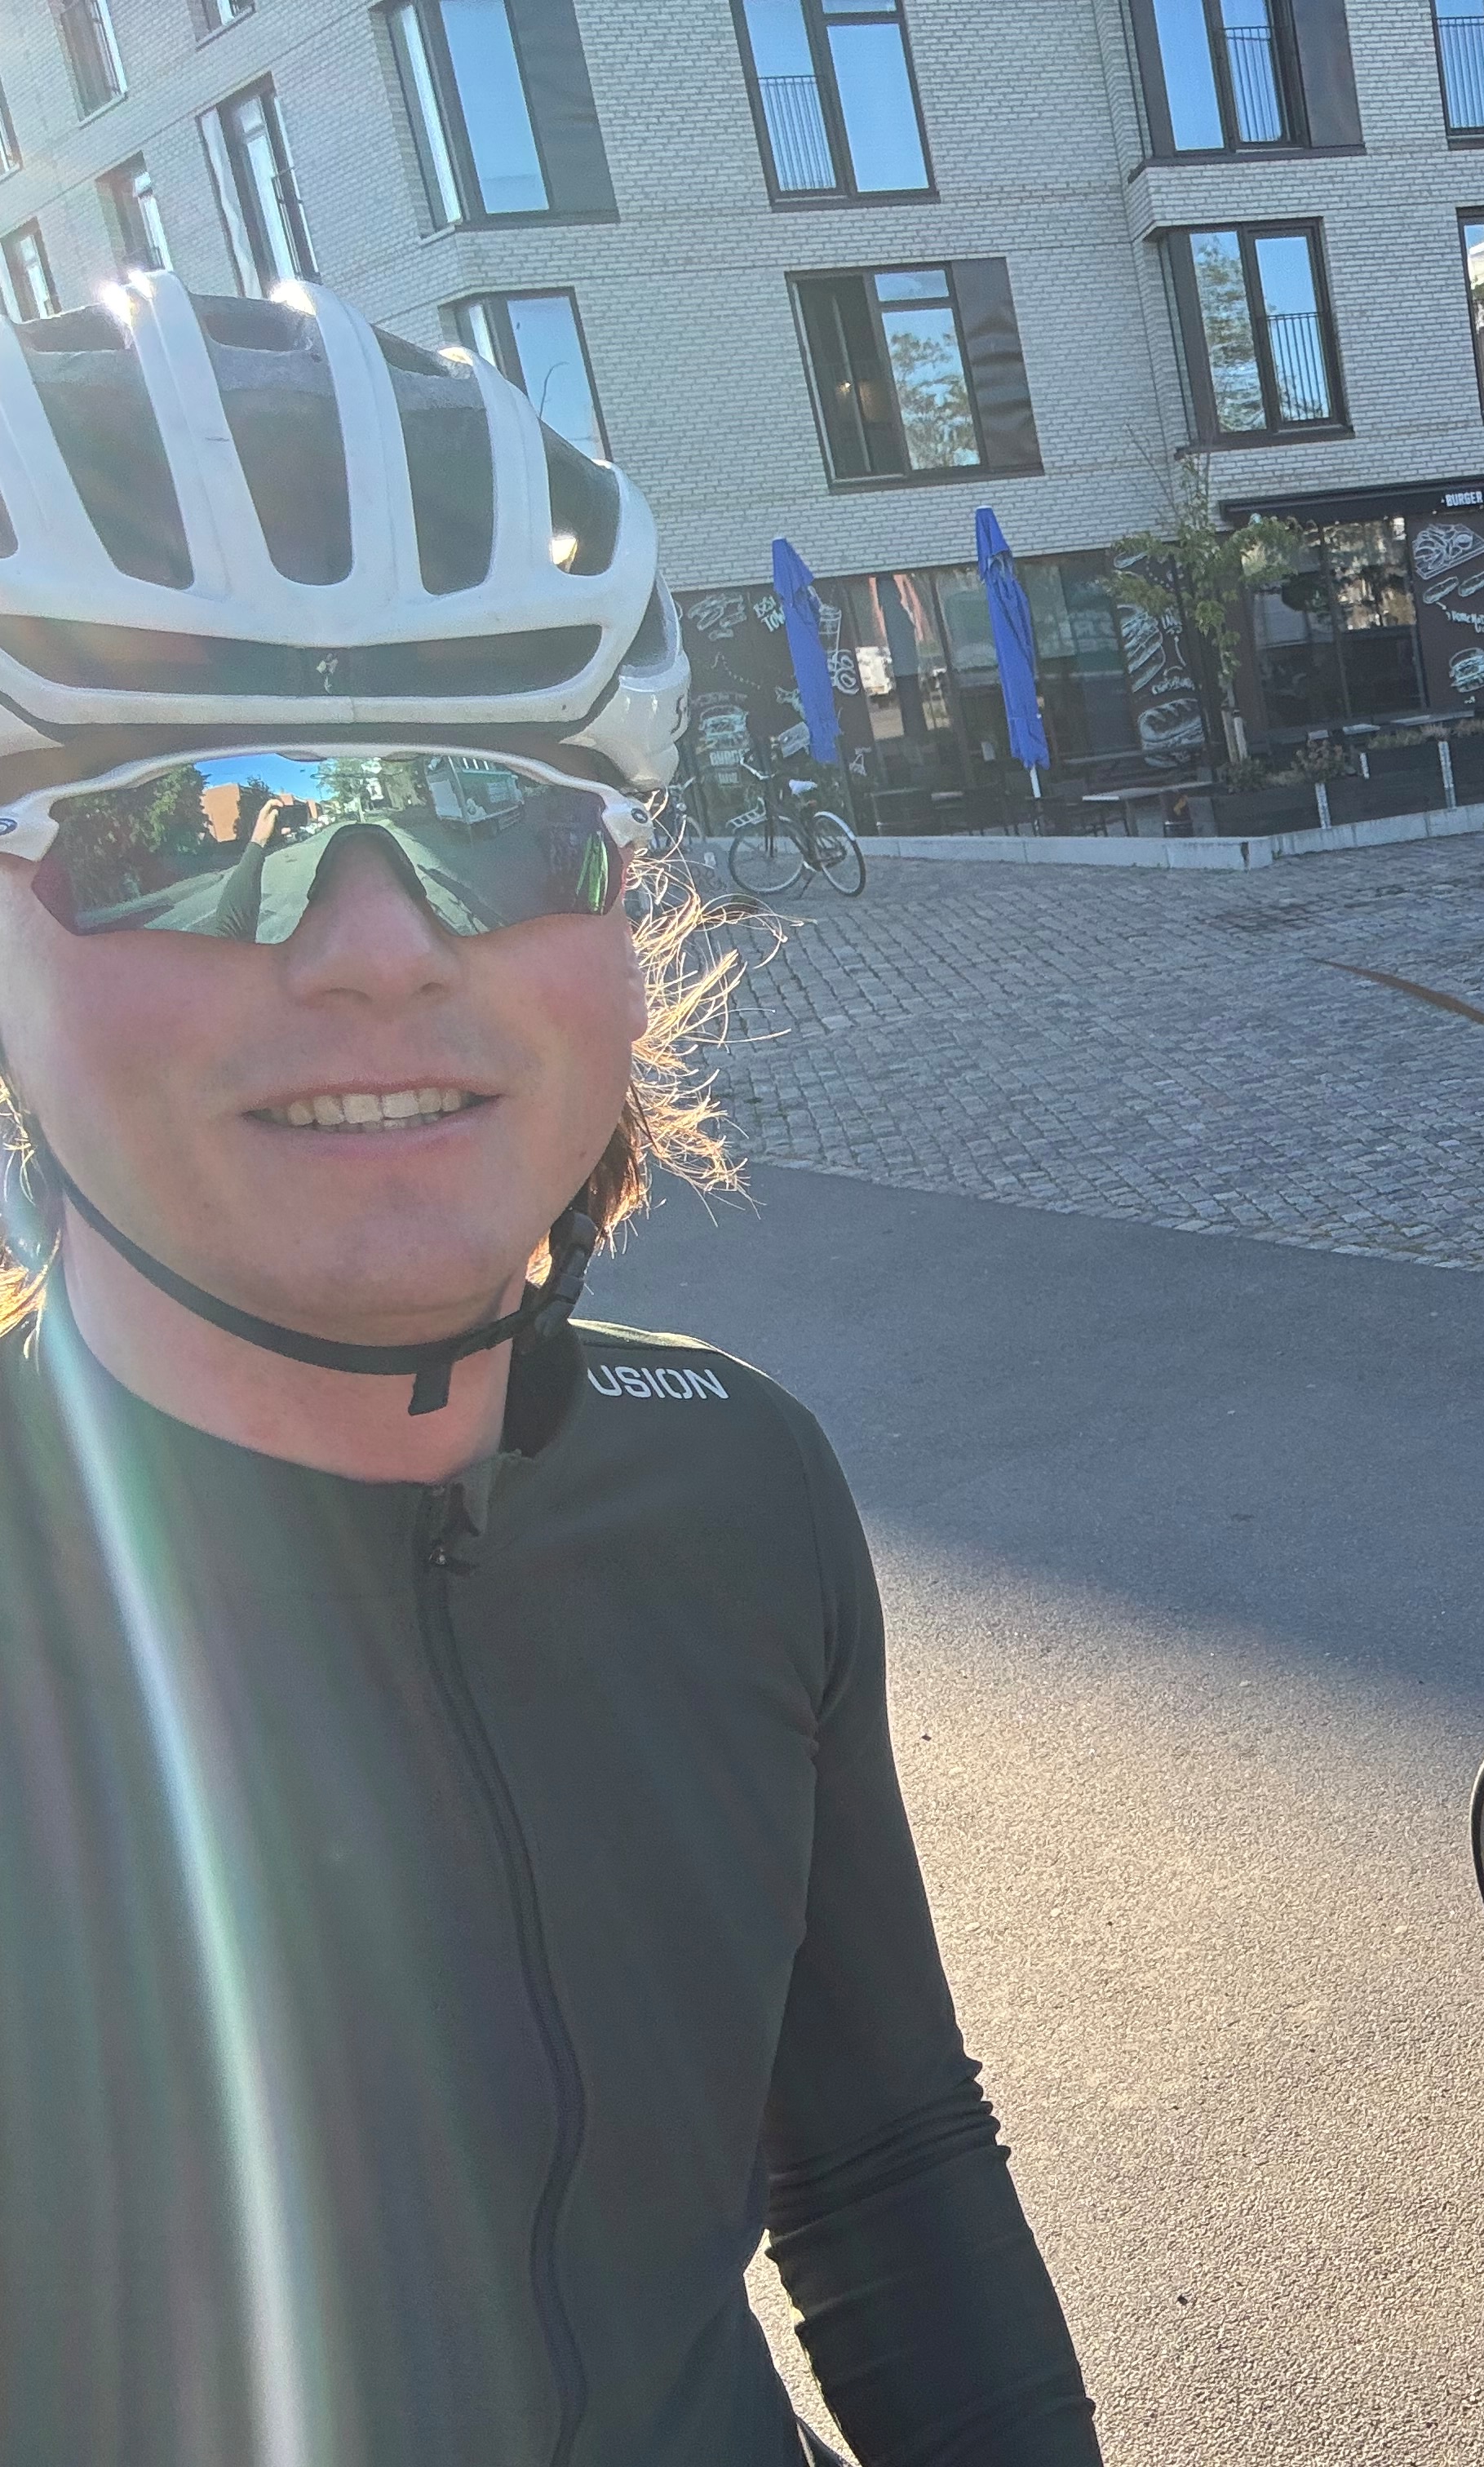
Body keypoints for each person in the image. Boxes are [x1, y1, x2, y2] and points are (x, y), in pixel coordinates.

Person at [0, 279, 1097, 2463]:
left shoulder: (741, 1482)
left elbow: (884, 2159)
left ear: (625, 905)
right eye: (191, 826)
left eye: (492, 812)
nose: (380, 942)